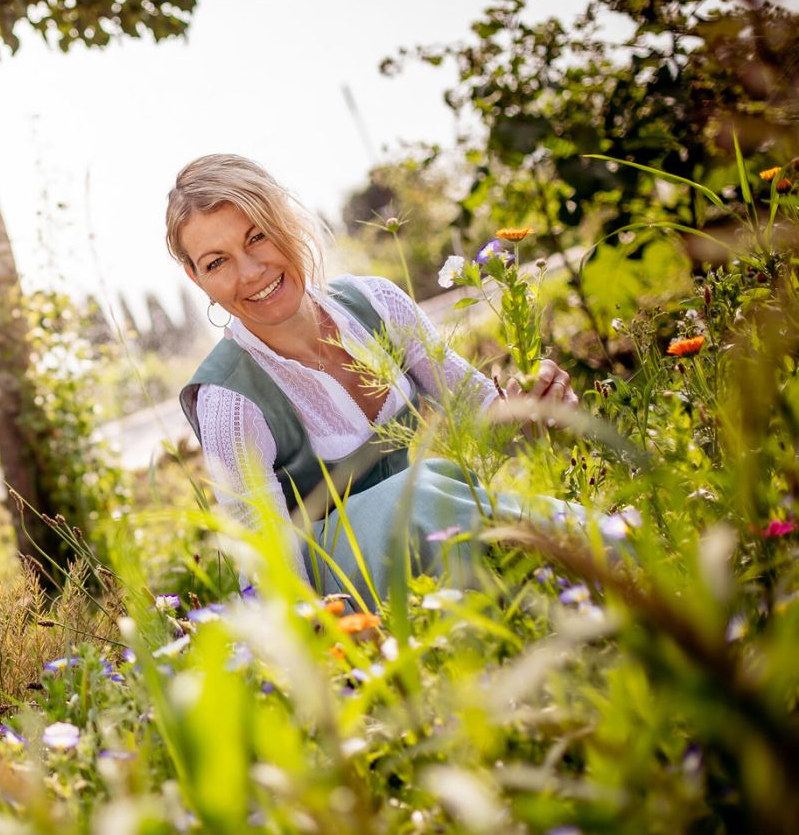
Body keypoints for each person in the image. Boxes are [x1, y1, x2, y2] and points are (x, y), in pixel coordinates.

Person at [167, 154, 578, 604]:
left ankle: (586, 551)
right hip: (338, 590)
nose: (249, 272)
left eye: (257, 236)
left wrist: (536, 409)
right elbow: (274, 569)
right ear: (196, 278)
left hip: (432, 535)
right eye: (216, 263)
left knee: (444, 500)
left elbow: (492, 426)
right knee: (416, 496)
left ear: (285, 218)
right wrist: (328, 627)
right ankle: (585, 548)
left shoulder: (375, 304)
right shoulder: (228, 401)